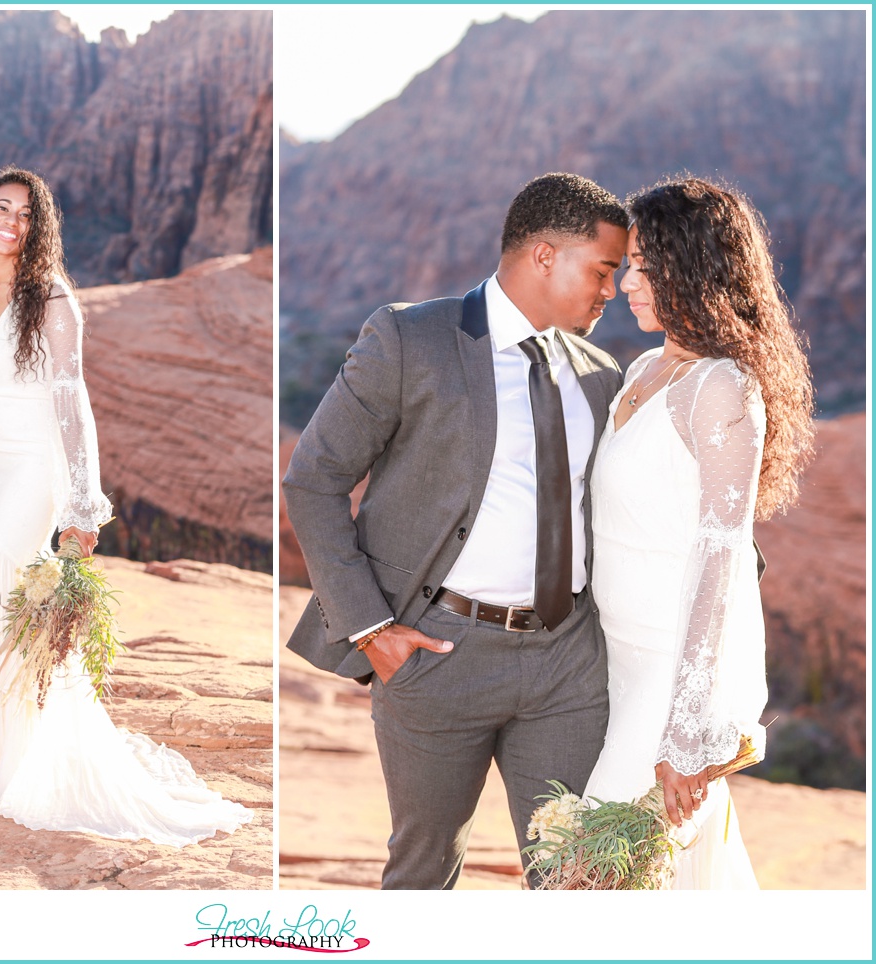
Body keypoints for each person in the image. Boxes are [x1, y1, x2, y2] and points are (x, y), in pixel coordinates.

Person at [283, 172, 629, 888]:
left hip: (568, 662)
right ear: (543, 255)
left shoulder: (599, 374)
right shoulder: (412, 338)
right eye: (602, 270)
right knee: (423, 875)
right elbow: (313, 479)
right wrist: (373, 630)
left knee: (576, 876)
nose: (611, 292)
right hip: (438, 654)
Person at [0, 166, 251, 845]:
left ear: (37, 228)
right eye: (1, 208)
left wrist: (83, 503)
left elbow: (70, 401)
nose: (11, 223)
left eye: (26, 214)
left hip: (30, 467)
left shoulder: (50, 298)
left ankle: (16, 764)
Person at [583, 176, 814, 887]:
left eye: (647, 266)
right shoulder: (644, 369)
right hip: (612, 663)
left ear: (695, 266)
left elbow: (720, 559)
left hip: (668, 670)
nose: (628, 283)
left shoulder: (721, 388)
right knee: (647, 885)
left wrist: (686, 727)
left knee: (600, 874)